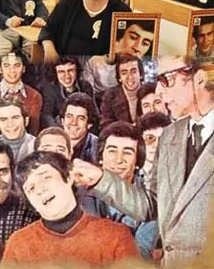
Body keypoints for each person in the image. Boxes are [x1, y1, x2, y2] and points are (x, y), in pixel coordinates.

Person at [72, 55, 214, 266]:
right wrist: (101, 179)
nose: (159, 91)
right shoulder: (170, 136)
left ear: (200, 79)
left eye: (166, 80)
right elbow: (151, 206)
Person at [3, 151, 140, 265]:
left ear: (68, 178)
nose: (40, 189)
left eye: (46, 178)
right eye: (31, 188)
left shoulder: (115, 235)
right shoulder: (18, 244)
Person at [81, 121, 160, 260]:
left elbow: (140, 254)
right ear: (100, 157)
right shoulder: (80, 193)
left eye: (127, 153)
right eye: (112, 151)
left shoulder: (150, 199)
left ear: (137, 162)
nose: (118, 160)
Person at [0, 52, 42, 136]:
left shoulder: (34, 95)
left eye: (17, 65)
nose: (12, 70)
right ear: (0, 69)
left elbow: (33, 131)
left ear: (23, 68)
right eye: (6, 66)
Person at [40, 57, 94, 128]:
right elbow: (47, 116)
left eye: (71, 70)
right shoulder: (49, 89)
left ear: (77, 71)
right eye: (61, 72)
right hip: (60, 128)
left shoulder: (86, 86)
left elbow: (92, 113)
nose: (67, 76)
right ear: (55, 73)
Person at [0, 98, 36, 163]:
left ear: (26, 120)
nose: (10, 124)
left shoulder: (37, 145)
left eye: (15, 118)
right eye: (3, 119)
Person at [100, 55, 144, 128]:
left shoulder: (150, 91)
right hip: (121, 133)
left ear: (141, 74)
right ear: (119, 78)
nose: (130, 77)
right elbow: (106, 124)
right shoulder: (111, 95)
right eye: (124, 73)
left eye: (133, 71)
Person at [136, 112, 171, 188]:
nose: (156, 145)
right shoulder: (131, 173)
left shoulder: (176, 173)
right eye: (150, 138)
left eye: (163, 139)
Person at [61, 92, 99, 162]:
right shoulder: (51, 143)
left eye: (80, 118)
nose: (74, 122)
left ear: (89, 124)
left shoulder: (98, 147)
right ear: (62, 120)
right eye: (69, 116)